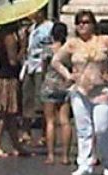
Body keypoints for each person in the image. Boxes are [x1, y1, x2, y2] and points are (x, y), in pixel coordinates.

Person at [50, 9, 108, 175]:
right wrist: (68, 75)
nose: (82, 25)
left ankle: (107, 162)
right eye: (79, 23)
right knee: (83, 129)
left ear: (93, 24)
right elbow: (55, 61)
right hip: (80, 90)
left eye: (86, 22)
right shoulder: (72, 44)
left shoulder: (104, 41)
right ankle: (83, 164)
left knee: (102, 127)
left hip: (101, 90)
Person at [0, 21, 30, 157]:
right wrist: (23, 46)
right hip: (8, 78)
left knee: (11, 115)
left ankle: (16, 145)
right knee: (4, 113)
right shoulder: (9, 38)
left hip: (5, 76)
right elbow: (13, 60)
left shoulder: (0, 34)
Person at [39, 21, 72, 164]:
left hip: (49, 85)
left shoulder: (47, 50)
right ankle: (65, 156)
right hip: (65, 85)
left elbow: (43, 68)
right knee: (65, 121)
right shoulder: (69, 50)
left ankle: (51, 155)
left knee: (50, 121)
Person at [21, 10, 54, 146]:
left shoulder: (49, 27)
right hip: (30, 65)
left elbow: (51, 46)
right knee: (27, 97)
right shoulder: (31, 28)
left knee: (41, 100)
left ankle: (44, 134)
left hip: (42, 65)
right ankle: (26, 132)